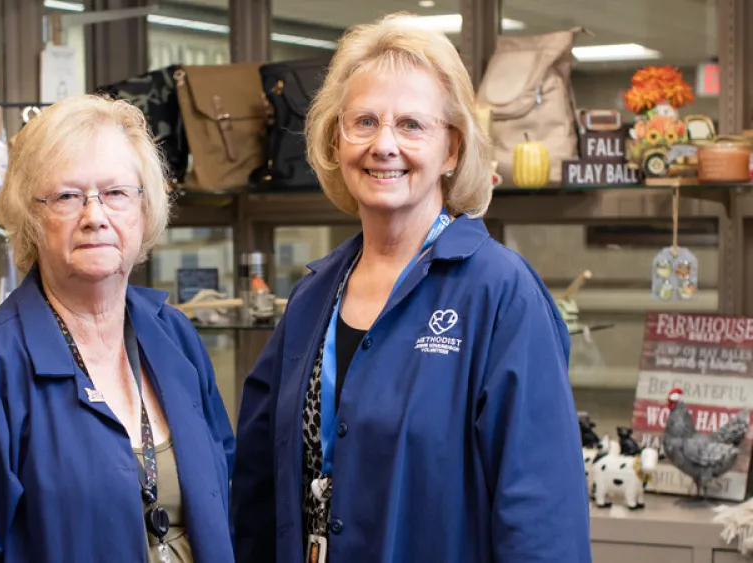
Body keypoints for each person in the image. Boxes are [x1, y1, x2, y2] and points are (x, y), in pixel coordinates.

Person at [231, 13, 591, 563]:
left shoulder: (500, 295)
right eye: (365, 122)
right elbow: (258, 482)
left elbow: (541, 517)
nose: (384, 145)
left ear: (451, 151)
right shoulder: (313, 297)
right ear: (336, 141)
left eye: (412, 125)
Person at [0, 94, 236, 563]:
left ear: (144, 209)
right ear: (30, 216)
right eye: (67, 196)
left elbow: (225, 491)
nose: (95, 216)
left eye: (116, 193)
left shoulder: (174, 336)